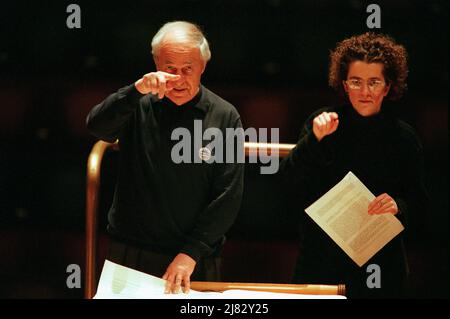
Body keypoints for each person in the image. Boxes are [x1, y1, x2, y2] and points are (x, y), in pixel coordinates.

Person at [86, 21, 244, 294]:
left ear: (203, 66)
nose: (179, 79)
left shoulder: (225, 116)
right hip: (130, 251)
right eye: (170, 69)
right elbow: (96, 126)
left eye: (187, 69)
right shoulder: (137, 103)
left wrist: (191, 253)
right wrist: (135, 89)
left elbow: (227, 197)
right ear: (156, 63)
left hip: (194, 259)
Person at [280, 32, 428, 298]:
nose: (364, 92)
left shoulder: (403, 137)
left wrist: (399, 206)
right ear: (345, 85)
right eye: (356, 82)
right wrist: (313, 140)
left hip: (380, 263)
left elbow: (422, 204)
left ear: (387, 86)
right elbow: (288, 184)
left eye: (374, 82)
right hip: (321, 258)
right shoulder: (322, 123)